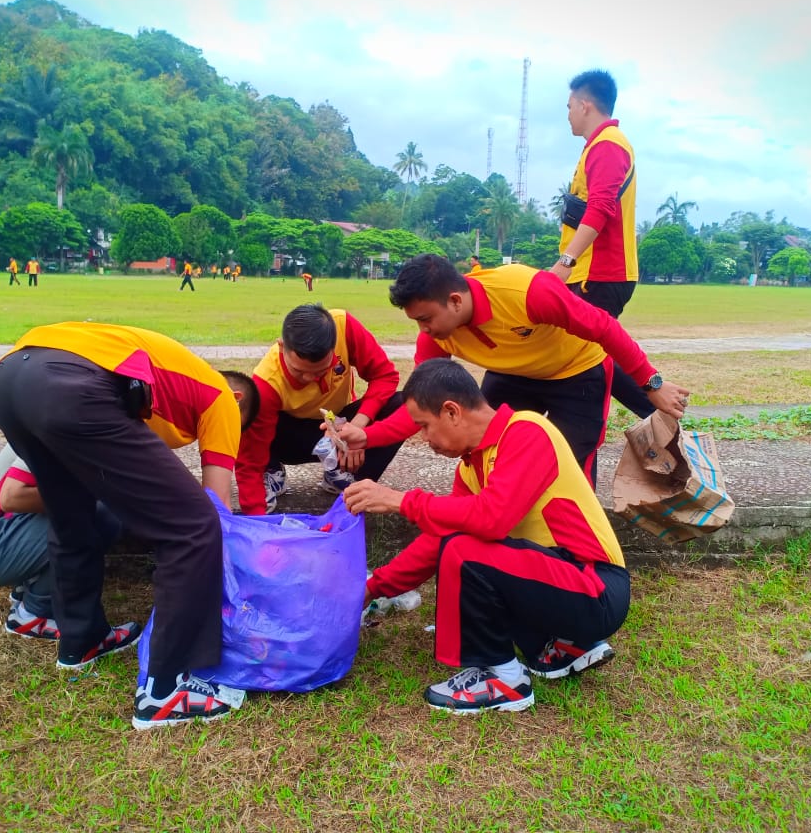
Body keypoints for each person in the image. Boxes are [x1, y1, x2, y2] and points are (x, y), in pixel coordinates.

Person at [0, 321, 260, 729]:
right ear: (238, 400)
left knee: (70, 510)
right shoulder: (221, 397)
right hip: (68, 385)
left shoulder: (159, 391)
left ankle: (81, 642)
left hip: (9, 380)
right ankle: (165, 691)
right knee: (193, 526)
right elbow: (215, 507)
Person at [343, 359, 631, 713]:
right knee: (458, 544)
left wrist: (401, 500)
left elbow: (491, 519)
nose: (423, 438)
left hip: (597, 588)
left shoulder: (526, 431)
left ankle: (504, 678)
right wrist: (372, 588)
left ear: (451, 412)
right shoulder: (472, 465)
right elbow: (438, 540)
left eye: (423, 426)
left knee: (465, 550)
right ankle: (561, 644)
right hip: (562, 582)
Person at [338, 255, 689, 488]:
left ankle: (579, 553)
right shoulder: (436, 337)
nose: (424, 330)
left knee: (568, 459)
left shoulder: (525, 292)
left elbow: (603, 328)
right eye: (417, 322)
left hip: (576, 372)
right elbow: (422, 407)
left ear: (455, 301)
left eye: (426, 319)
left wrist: (651, 382)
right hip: (512, 374)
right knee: (486, 444)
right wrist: (368, 436)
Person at [549, 69, 654, 420]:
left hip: (601, 274)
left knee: (586, 355)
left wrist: (566, 261)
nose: (567, 115)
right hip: (593, 273)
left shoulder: (608, 144)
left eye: (568, 107)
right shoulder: (597, 146)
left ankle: (660, 412)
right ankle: (658, 411)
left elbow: (600, 207)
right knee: (592, 354)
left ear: (584, 104)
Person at [235, 304, 404, 515]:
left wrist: (360, 430)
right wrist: (256, 517)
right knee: (244, 411)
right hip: (288, 438)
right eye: (299, 371)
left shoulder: (343, 327)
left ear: (334, 347)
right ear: (281, 346)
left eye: (321, 371)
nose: (310, 378)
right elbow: (248, 459)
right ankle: (270, 470)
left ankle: (353, 483)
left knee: (402, 405)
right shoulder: (266, 382)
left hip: (336, 426)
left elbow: (385, 376)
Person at [0, 443, 121, 639]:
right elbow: (13, 497)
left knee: (87, 501)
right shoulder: (64, 421)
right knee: (101, 514)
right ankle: (35, 612)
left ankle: (30, 584)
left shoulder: (59, 415)